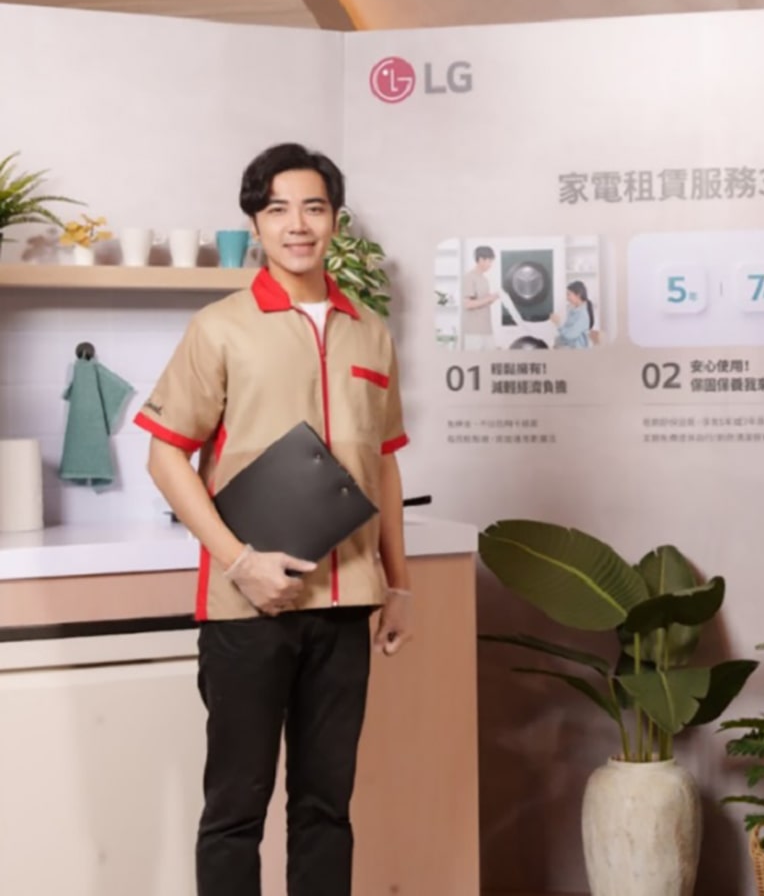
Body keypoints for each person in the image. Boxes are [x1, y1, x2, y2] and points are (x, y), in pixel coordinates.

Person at [135, 143, 414, 896]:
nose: (297, 225)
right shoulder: (220, 328)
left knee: (326, 807)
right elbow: (167, 458)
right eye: (278, 208)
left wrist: (399, 583)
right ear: (254, 222)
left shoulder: (369, 332)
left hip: (347, 600)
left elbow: (383, 463)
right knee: (235, 808)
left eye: (314, 207)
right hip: (245, 605)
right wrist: (239, 562)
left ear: (335, 220)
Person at [462, 244, 499, 350]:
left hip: (487, 329)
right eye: (489, 261)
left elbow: (481, 301)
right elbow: (468, 304)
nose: (491, 264)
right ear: (481, 260)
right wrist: (488, 298)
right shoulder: (469, 278)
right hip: (474, 331)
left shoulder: (484, 279)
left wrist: (492, 298)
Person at [551, 280, 595, 348]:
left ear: (578, 295)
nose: (567, 298)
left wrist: (558, 324)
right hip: (569, 347)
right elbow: (565, 332)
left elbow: (570, 336)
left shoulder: (583, 316)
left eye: (569, 294)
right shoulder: (573, 311)